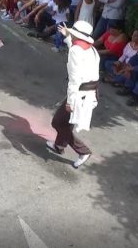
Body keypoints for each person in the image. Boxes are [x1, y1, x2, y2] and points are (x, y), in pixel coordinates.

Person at [47, 21, 100, 168]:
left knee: (58, 122)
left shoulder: (76, 50)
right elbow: (76, 50)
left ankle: (83, 151)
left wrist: (70, 101)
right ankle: (59, 145)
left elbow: (74, 79)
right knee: (67, 122)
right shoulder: (91, 50)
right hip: (89, 93)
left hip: (79, 94)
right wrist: (68, 37)